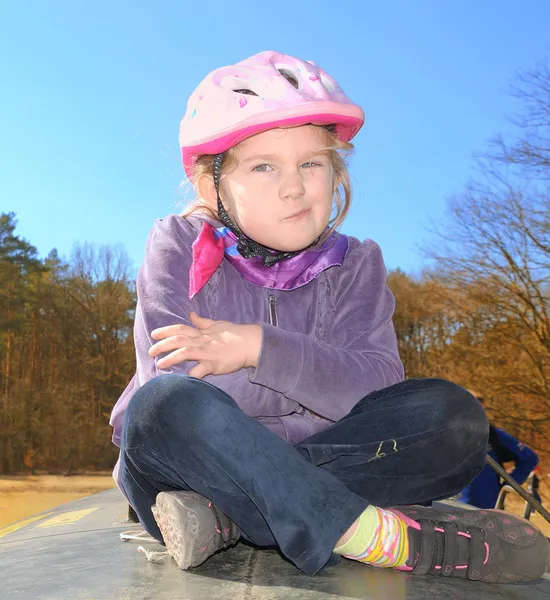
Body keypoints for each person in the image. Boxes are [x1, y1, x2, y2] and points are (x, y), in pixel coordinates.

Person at [109, 50, 548, 584]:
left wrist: (257, 350)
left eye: (311, 164)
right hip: (190, 467)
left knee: (454, 416)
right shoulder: (176, 244)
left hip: (238, 487)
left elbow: (375, 386)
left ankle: (229, 518)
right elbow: (175, 375)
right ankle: (386, 538)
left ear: (334, 171)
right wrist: (319, 389)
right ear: (212, 186)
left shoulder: (356, 263)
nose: (294, 186)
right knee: (161, 408)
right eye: (264, 166)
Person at [459, 394, 539, 509]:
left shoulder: (493, 435)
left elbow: (530, 458)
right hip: (443, 506)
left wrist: (507, 486)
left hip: (483, 510)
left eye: (478, 409)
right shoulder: (442, 433)